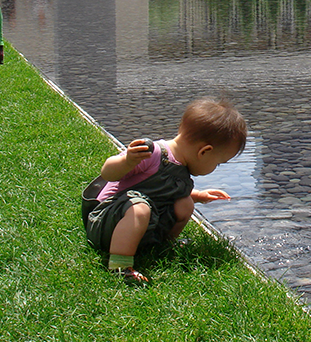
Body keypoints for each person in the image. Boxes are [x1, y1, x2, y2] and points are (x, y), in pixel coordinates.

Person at [82, 99, 247, 285]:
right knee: (140, 208)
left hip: (138, 224)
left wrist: (199, 196)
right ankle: (120, 266)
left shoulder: (182, 168)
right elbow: (107, 172)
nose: (215, 167)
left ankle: (164, 245)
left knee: (185, 203)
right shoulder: (152, 154)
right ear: (204, 151)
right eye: (218, 163)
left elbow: (165, 193)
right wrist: (127, 161)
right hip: (106, 222)